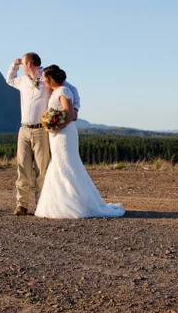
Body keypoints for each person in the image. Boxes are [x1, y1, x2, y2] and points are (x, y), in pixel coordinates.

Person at [34, 65, 125, 219]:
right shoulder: (55, 92)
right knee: (58, 163)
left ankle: (76, 203)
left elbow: (70, 115)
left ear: (50, 79)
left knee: (67, 164)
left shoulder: (64, 91)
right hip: (56, 134)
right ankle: (61, 202)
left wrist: (54, 127)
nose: (42, 80)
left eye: (44, 77)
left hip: (64, 133)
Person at [6, 53, 81, 216]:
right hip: (23, 129)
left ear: (29, 64)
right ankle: (21, 204)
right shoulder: (22, 81)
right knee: (22, 168)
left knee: (42, 168)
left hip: (41, 130)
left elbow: (70, 89)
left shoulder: (46, 77)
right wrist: (14, 65)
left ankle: (41, 203)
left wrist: (74, 109)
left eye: (23, 62)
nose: (22, 65)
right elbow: (9, 79)